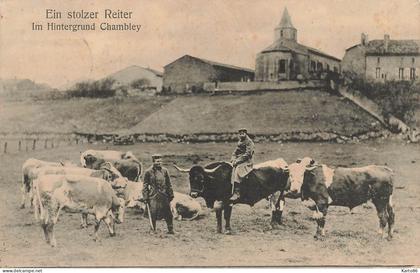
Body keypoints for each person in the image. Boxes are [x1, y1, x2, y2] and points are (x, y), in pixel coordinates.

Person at [142, 154, 175, 234]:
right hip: (153, 195)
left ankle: (170, 230)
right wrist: (145, 197)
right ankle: (153, 229)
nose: (159, 163)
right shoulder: (148, 172)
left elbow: (168, 183)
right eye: (157, 161)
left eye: (160, 161)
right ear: (153, 162)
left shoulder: (165, 171)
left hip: (164, 194)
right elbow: (145, 185)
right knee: (153, 213)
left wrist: (171, 194)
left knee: (168, 213)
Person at [230, 128, 255, 203]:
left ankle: (237, 192)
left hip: (247, 161)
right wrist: (233, 159)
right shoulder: (240, 142)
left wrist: (237, 161)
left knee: (238, 170)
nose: (241, 134)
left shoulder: (249, 142)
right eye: (240, 133)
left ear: (246, 133)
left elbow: (248, 154)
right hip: (239, 160)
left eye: (243, 133)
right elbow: (235, 152)